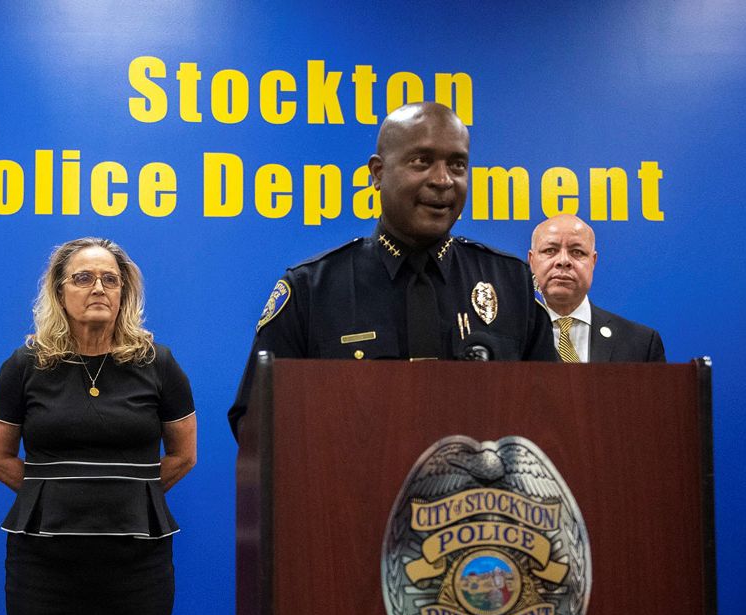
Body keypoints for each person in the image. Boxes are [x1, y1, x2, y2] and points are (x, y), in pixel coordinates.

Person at [228, 102, 555, 436]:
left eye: (457, 165)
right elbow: (255, 426)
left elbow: (553, 415)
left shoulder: (510, 283)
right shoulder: (311, 290)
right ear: (378, 173)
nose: (443, 180)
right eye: (421, 162)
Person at [0, 237, 197, 615]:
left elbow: (184, 455)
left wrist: (125, 494)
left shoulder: (158, 364)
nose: (97, 287)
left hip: (137, 567)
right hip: (44, 568)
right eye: (83, 278)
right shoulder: (25, 365)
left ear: (124, 294)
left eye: (110, 279)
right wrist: (56, 494)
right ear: (59, 292)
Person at [527, 213, 666, 362]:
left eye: (577, 252)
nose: (563, 261)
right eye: (550, 250)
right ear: (532, 261)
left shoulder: (642, 344)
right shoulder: (510, 338)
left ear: (593, 261)